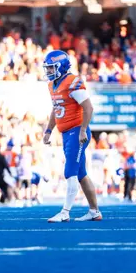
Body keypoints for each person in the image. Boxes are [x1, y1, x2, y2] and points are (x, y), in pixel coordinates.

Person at [42, 50, 102, 222]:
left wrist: (83, 130)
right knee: (81, 174)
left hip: (77, 132)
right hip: (67, 133)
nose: (49, 71)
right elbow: (56, 108)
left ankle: (65, 212)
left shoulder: (72, 82)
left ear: (61, 66)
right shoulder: (52, 85)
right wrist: (48, 130)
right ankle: (94, 211)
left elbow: (88, 108)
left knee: (70, 171)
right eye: (47, 68)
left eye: (52, 67)